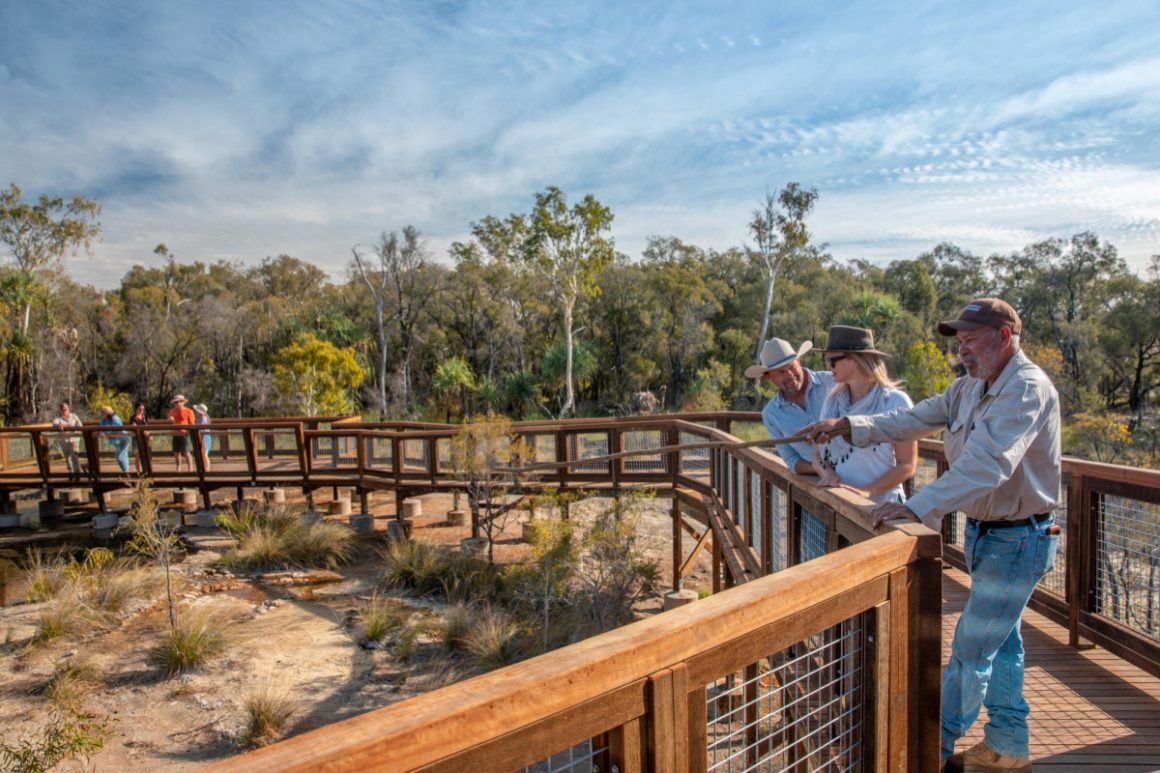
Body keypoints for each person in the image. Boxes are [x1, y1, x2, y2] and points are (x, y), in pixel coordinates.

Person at [802, 298, 1061, 773]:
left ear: (1003, 337)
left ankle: (930, 746)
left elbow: (987, 465)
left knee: (970, 647)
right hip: (988, 534)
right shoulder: (968, 388)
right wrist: (845, 425)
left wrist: (915, 507)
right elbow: (911, 420)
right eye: (958, 340)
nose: (961, 348)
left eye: (970, 339)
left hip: (1018, 538)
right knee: (1000, 643)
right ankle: (1008, 745)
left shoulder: (1024, 388)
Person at [812, 326, 916, 505]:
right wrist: (828, 473)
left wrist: (866, 492)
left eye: (833, 360)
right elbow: (818, 456)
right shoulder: (833, 402)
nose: (829, 366)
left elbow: (907, 465)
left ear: (855, 360)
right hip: (842, 506)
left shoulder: (895, 402)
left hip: (884, 509)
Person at [744, 337, 834, 475]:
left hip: (861, 475)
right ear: (769, 377)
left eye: (792, 367)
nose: (790, 375)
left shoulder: (833, 382)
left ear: (799, 361)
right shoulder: (771, 414)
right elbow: (791, 459)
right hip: (820, 488)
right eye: (781, 372)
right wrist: (818, 469)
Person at [51, 401, 84, 476]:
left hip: (74, 439)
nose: (64, 411)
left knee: (74, 455)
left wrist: (78, 430)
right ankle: (71, 472)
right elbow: (54, 424)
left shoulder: (74, 416)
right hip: (64, 440)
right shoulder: (58, 419)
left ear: (68, 409)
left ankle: (77, 472)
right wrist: (58, 425)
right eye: (62, 409)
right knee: (67, 457)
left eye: (65, 409)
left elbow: (79, 425)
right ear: (60, 410)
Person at [98, 406, 131, 473]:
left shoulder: (115, 418)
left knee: (120, 457)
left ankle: (126, 473)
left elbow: (118, 428)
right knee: (121, 456)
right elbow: (101, 431)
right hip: (116, 441)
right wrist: (101, 433)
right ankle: (126, 472)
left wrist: (107, 431)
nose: (101, 414)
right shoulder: (103, 421)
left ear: (107, 413)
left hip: (124, 439)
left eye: (103, 413)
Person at [168, 394, 195, 471]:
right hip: (176, 434)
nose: (177, 404)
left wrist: (190, 430)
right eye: (175, 402)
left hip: (185, 434)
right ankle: (178, 467)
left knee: (187, 452)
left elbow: (192, 422)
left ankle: (190, 467)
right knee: (176, 453)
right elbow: (170, 419)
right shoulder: (172, 411)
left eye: (178, 402)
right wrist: (170, 420)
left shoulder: (189, 411)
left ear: (183, 402)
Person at [129, 402, 148, 473]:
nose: (142, 411)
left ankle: (145, 470)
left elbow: (146, 426)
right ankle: (138, 471)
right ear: (136, 409)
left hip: (144, 438)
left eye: (143, 409)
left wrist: (145, 431)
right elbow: (134, 427)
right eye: (140, 409)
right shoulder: (133, 418)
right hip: (136, 439)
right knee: (137, 455)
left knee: (145, 454)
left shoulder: (144, 417)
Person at [193, 403, 212, 471]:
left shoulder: (202, 418)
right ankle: (206, 468)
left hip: (204, 437)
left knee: (205, 454)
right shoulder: (201, 418)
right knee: (203, 454)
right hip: (203, 437)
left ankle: (207, 469)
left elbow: (200, 427)